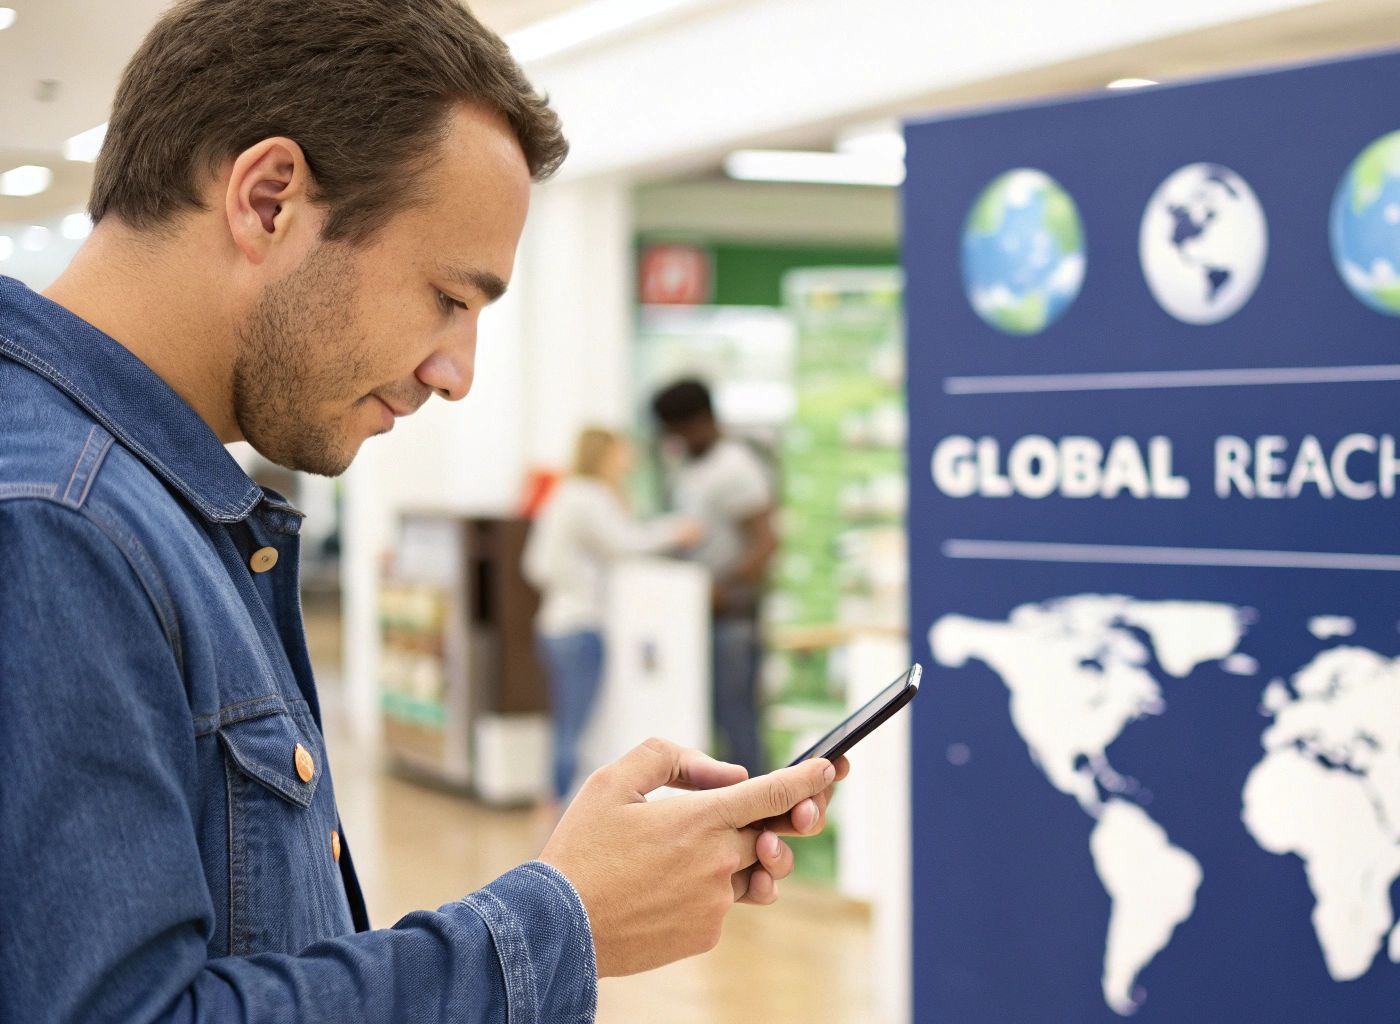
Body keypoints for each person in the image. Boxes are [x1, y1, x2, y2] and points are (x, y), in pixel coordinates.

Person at [0, 2, 844, 1021]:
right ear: (268, 200)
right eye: (448, 296)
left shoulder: (151, 510)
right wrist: (559, 924)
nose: (458, 373)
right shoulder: (56, 522)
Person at [522, 426, 701, 805]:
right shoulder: (590, 497)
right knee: (575, 732)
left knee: (565, 726)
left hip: (553, 626)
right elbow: (626, 543)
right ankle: (558, 819)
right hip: (580, 628)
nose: (630, 461)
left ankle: (550, 811)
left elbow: (534, 564)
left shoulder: (565, 494)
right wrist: (676, 531)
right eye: (624, 452)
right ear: (607, 455)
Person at [651, 379, 779, 775]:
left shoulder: (735, 466)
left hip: (730, 622)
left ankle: (762, 816)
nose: (673, 440)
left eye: (677, 430)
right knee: (705, 725)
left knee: (737, 724)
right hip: (696, 616)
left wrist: (725, 589)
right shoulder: (689, 469)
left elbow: (764, 543)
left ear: (701, 421)